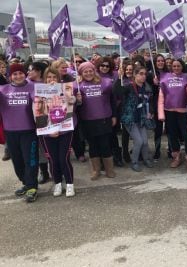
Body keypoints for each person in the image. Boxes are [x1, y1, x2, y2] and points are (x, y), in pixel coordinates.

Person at [0, 63, 38, 202]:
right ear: (10, 76)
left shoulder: (33, 87)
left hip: (29, 131)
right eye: (15, 74)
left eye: (20, 73)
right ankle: (25, 183)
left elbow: (42, 102)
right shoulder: (3, 90)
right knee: (17, 161)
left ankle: (32, 186)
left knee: (30, 160)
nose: (18, 76)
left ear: (25, 74)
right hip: (10, 131)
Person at [40, 66, 79, 197]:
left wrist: (72, 97)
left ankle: (69, 184)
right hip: (48, 132)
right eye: (49, 77)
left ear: (58, 78)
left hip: (65, 131)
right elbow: (38, 114)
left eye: (54, 77)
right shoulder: (39, 92)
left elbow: (73, 103)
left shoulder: (65, 89)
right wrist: (48, 131)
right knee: (53, 160)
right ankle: (57, 183)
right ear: (45, 79)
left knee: (63, 158)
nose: (51, 80)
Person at [76, 61, 117, 180]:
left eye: (90, 71)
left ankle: (109, 169)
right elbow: (74, 105)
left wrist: (114, 115)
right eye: (85, 72)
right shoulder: (77, 85)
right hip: (87, 121)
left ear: (94, 71)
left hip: (104, 119)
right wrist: (77, 100)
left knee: (105, 145)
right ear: (81, 73)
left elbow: (112, 100)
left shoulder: (106, 83)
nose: (88, 73)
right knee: (93, 146)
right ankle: (96, 170)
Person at [157, 57, 187, 172]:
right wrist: (161, 114)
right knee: (172, 135)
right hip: (169, 112)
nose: (176, 68)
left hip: (183, 112)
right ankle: (176, 157)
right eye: (174, 66)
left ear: (182, 67)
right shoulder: (165, 78)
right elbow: (161, 97)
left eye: (178, 66)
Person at [114, 65, 155, 172]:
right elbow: (117, 92)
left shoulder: (147, 87)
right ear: (135, 75)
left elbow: (151, 101)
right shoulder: (129, 87)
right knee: (139, 141)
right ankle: (134, 162)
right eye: (140, 74)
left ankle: (146, 159)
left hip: (142, 118)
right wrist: (119, 78)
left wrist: (151, 111)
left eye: (145, 74)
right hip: (130, 119)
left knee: (145, 142)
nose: (143, 76)